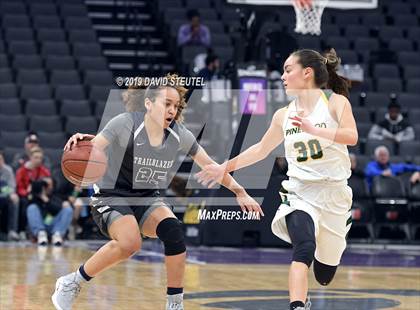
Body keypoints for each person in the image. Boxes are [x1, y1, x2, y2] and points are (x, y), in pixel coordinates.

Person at [52, 73, 262, 310]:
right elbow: (94, 147)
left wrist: (239, 190)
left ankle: (174, 304)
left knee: (173, 232)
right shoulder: (125, 123)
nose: (172, 110)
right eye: (167, 104)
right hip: (112, 195)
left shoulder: (180, 134)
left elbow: (212, 167)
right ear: (149, 103)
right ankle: (72, 282)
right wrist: (82, 142)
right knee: (130, 243)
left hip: (147, 197)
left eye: (176, 105)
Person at [196, 49, 358, 310]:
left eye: (287, 70)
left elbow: (352, 136)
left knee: (324, 275)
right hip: (300, 192)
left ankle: (321, 265)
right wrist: (223, 167)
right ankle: (297, 305)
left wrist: (314, 129)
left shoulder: (335, 102)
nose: (282, 76)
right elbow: (260, 149)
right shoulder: (283, 115)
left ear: (307, 73)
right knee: (303, 249)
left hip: (335, 194)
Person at [15, 146, 51, 239]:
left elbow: (49, 186)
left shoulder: (44, 171)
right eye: (36, 157)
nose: (38, 160)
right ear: (30, 158)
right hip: (26, 196)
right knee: (24, 204)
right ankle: (22, 230)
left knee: (50, 204)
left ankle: (47, 229)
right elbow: (19, 188)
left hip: (40, 196)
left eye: (40, 158)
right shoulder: (21, 171)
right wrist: (27, 192)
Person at [26, 177, 74, 246]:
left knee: (68, 209)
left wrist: (45, 199)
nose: (45, 186)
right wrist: (31, 192)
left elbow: (56, 209)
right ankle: (40, 233)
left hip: (54, 224)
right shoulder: (34, 197)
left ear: (53, 186)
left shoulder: (56, 195)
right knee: (31, 207)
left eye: (48, 184)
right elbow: (25, 212)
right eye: (44, 184)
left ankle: (57, 234)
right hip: (40, 224)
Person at [0, 151, 20, 241]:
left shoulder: (8, 171)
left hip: (4, 196)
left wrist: (10, 194)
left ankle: (12, 231)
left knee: (15, 199)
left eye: (1, 159)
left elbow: (12, 186)